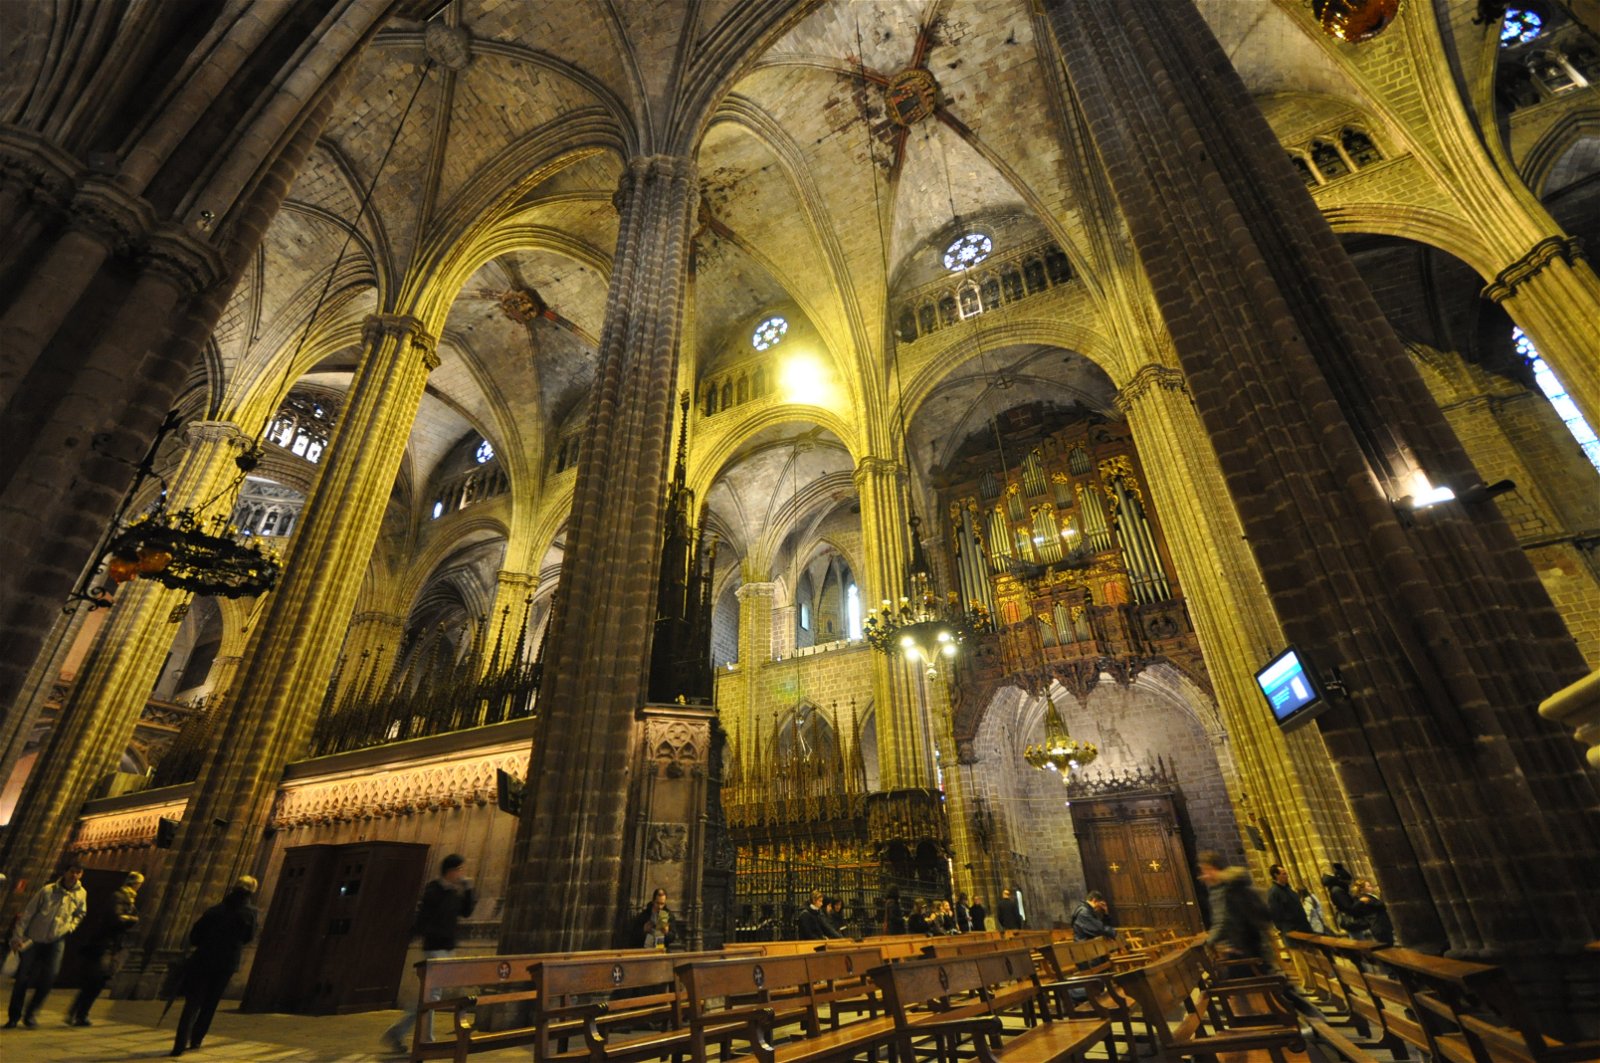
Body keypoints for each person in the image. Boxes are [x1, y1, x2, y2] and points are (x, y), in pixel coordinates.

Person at [1196, 851, 1319, 1019]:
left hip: (1242, 949)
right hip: (1254, 945)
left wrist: (1209, 942)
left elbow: (1223, 920)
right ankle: (1294, 1016)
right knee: (1269, 985)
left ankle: (1264, 1022)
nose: (1203, 876)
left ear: (1213, 869)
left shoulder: (1224, 888)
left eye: (1205, 870)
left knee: (1253, 987)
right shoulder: (1237, 883)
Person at [382, 854, 476, 1055]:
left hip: (447, 947)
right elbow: (424, 917)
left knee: (431, 996)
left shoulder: (453, 893)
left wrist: (468, 891)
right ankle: (427, 1039)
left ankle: (398, 1032)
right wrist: (415, 935)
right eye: (460, 870)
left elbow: (466, 912)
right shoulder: (434, 891)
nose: (462, 874)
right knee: (433, 995)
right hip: (434, 947)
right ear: (451, 871)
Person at [171, 876, 258, 1057]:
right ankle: (196, 1039)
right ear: (252, 891)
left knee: (192, 1002)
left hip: (203, 959)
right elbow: (248, 937)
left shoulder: (215, 910)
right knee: (211, 1003)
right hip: (226, 963)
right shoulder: (249, 913)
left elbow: (195, 935)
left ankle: (179, 1043)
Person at [6, 863, 88, 1029]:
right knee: (23, 978)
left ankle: (31, 1014)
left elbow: (80, 913)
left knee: (50, 977)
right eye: (72, 871)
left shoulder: (81, 893)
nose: (75, 876)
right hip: (34, 939)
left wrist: (70, 927)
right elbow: (28, 914)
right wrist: (18, 936)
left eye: (78, 873)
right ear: (66, 872)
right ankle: (14, 1016)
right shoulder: (48, 890)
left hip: (56, 940)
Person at [67, 870, 144, 1027]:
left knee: (98, 980)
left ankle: (78, 1013)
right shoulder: (119, 896)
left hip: (113, 944)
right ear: (135, 884)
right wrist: (132, 919)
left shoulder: (129, 898)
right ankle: (78, 1013)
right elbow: (117, 918)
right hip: (104, 943)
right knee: (96, 980)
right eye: (139, 884)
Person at [1266, 865, 1312, 938]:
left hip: (1304, 928)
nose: (1287, 876)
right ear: (1276, 875)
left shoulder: (1288, 889)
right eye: (1284, 874)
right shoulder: (1274, 893)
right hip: (1293, 933)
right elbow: (1276, 915)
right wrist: (1288, 930)